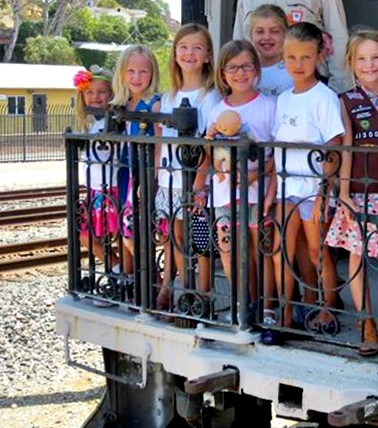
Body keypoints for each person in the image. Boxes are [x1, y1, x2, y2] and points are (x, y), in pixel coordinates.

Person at [324, 29, 378, 355]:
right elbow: (346, 149)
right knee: (357, 256)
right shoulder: (345, 101)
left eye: (375, 57)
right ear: (351, 64)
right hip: (359, 190)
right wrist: (343, 193)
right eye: (361, 59)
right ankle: (367, 322)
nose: (369, 64)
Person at [273, 22, 345, 332]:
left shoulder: (323, 97)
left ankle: (328, 309)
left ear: (318, 56)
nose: (298, 64)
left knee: (318, 251)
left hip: (311, 189)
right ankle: (289, 309)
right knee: (285, 250)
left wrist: (323, 194)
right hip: (285, 187)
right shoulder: (284, 98)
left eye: (305, 57)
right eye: (291, 57)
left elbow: (334, 146)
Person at [196, 40, 276, 306]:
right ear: (222, 73)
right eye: (232, 67)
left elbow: (276, 155)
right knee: (228, 249)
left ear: (256, 70)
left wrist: (256, 177)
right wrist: (200, 186)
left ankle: (263, 305)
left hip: (257, 192)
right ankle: (242, 302)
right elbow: (208, 155)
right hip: (223, 193)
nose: (240, 73)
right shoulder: (217, 110)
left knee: (257, 250)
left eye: (246, 66)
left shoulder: (268, 107)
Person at [154, 24, 221, 309]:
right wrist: (156, 178)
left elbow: (209, 143)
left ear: (207, 55)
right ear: (175, 53)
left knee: (200, 240)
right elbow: (159, 142)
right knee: (174, 235)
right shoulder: (167, 97)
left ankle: (203, 294)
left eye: (197, 48)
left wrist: (199, 183)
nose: (189, 53)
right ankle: (177, 288)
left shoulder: (210, 96)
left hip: (195, 181)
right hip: (170, 179)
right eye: (183, 47)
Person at [112, 45, 161, 278]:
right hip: (126, 171)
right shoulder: (123, 104)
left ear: (152, 74)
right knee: (127, 229)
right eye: (130, 71)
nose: (136, 77)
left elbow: (160, 143)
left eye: (143, 72)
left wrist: (153, 177)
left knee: (133, 230)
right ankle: (133, 279)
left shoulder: (154, 104)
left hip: (144, 171)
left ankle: (151, 278)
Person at [73, 65, 119, 273]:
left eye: (102, 92)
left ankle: (123, 273)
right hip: (95, 190)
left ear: (112, 94)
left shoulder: (114, 122)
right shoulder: (94, 123)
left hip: (112, 188)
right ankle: (117, 270)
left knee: (118, 237)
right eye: (89, 92)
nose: (95, 97)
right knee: (86, 235)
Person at [248, 4, 294, 99]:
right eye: (260, 32)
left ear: (285, 34)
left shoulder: (294, 70)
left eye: (275, 31)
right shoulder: (245, 71)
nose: (267, 37)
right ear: (251, 35)